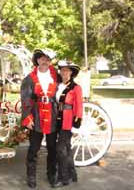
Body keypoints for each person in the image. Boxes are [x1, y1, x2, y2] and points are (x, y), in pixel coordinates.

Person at [20, 49, 58, 188]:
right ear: (37, 60)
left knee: (52, 148)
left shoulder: (56, 76)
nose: (44, 61)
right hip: (36, 116)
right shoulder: (29, 79)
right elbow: (25, 100)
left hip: (52, 116)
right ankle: (31, 176)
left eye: (47, 59)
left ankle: (52, 174)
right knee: (34, 149)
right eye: (42, 58)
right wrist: (27, 118)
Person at [52, 60, 83, 188]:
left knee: (60, 149)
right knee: (67, 149)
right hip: (57, 120)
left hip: (68, 121)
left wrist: (77, 123)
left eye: (67, 70)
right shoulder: (58, 86)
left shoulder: (76, 88)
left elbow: (79, 106)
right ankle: (72, 174)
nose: (64, 72)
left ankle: (63, 178)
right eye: (62, 70)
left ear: (71, 72)